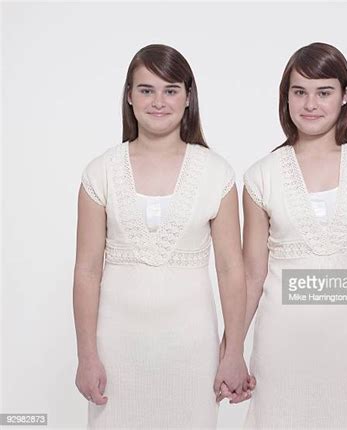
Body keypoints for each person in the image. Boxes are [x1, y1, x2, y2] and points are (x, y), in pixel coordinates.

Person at [73, 44, 251, 429]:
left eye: (170, 90)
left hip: (192, 351)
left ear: (188, 98)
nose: (158, 101)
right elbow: (87, 270)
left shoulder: (215, 174)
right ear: (129, 96)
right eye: (146, 89)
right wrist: (87, 355)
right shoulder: (100, 173)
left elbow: (231, 269)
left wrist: (233, 350)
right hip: (117, 351)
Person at [240, 42, 347, 428]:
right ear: (287, 98)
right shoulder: (262, 176)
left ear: (345, 96)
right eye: (300, 92)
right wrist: (230, 349)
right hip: (281, 347)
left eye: (323, 92)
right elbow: (251, 276)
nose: (310, 104)